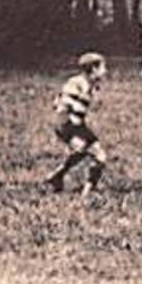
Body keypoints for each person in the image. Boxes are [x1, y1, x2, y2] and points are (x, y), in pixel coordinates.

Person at [45, 52, 109, 195]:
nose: (105, 71)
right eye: (103, 67)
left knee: (81, 153)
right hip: (68, 125)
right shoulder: (77, 83)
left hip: (78, 126)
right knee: (99, 156)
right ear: (93, 69)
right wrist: (68, 132)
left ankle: (57, 176)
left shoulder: (92, 85)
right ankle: (87, 194)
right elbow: (62, 107)